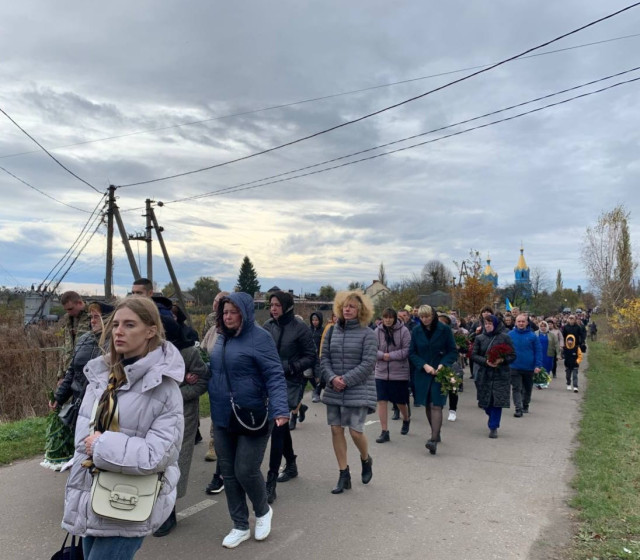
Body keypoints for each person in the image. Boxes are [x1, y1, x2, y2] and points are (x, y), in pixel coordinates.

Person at [61, 296, 185, 560]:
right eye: (116, 324)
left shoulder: (162, 386)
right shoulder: (103, 376)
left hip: (127, 502)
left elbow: (159, 454)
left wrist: (100, 445)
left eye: (130, 325)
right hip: (93, 494)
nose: (118, 331)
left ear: (150, 331)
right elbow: (86, 436)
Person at [208, 292, 289, 548]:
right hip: (222, 414)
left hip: (253, 414)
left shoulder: (260, 338)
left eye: (233, 312)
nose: (228, 316)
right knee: (229, 473)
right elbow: (215, 371)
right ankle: (240, 525)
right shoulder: (221, 338)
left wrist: (280, 409)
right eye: (225, 312)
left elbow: (275, 374)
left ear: (245, 313)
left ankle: (263, 511)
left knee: (245, 469)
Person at [153, 330, 210, 537]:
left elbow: (202, 381)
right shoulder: (145, 350)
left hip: (183, 415)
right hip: (152, 414)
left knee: (177, 461)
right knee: (153, 460)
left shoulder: (188, 352)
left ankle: (169, 510)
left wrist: (175, 393)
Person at [262, 291, 316, 503]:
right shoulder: (267, 327)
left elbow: (311, 357)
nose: (273, 308)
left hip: (290, 382)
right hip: (268, 381)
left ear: (286, 306)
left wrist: (291, 367)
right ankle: (291, 463)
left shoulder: (300, 328)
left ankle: (271, 481)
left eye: (277, 305)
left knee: (277, 427)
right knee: (281, 426)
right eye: (271, 305)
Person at [320, 291, 376, 494]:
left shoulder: (368, 334)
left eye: (352, 306)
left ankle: (365, 459)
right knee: (336, 430)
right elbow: (324, 358)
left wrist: (346, 380)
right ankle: (343, 474)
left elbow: (368, 363)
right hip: (334, 388)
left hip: (358, 389)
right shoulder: (331, 332)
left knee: (355, 431)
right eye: (345, 306)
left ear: (361, 310)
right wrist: (332, 378)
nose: (347, 309)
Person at [51, 302, 113, 433]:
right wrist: (59, 396)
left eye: (97, 317)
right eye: (91, 317)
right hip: (78, 400)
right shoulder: (84, 339)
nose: (92, 321)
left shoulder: (114, 343)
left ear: (108, 318)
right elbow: (72, 371)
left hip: (101, 404)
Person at [409, 305, 457, 455]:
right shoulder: (416, 331)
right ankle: (436, 431)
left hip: (440, 372)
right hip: (423, 373)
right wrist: (424, 365)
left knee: (436, 404)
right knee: (428, 404)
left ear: (433, 315)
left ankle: (433, 439)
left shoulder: (444, 329)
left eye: (427, 317)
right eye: (422, 317)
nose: (424, 320)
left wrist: (443, 364)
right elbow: (412, 353)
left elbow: (452, 351)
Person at [472, 315, 516, 438]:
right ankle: (491, 417)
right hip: (485, 374)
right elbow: (474, 355)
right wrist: (486, 361)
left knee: (497, 401)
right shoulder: (479, 338)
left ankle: (493, 427)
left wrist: (501, 360)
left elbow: (513, 355)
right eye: (486, 324)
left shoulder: (505, 337)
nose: (487, 326)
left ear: (495, 324)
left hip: (500, 374)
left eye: (490, 324)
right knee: (485, 403)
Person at [374, 308, 411, 443]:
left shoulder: (404, 331)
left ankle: (406, 418)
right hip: (381, 372)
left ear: (394, 318)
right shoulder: (377, 331)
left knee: (400, 401)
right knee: (382, 401)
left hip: (399, 372)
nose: (388, 320)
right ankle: (384, 431)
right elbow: (372, 348)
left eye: (390, 317)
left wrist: (390, 356)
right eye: (385, 317)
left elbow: (406, 350)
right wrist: (382, 355)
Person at [508, 314, 542, 417]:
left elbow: (538, 351)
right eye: (519, 321)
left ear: (527, 323)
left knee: (527, 388)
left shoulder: (533, 336)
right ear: (515, 323)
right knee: (516, 388)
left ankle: (525, 404)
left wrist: (538, 365)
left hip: (529, 367)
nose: (521, 323)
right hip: (514, 366)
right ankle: (518, 408)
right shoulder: (510, 335)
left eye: (523, 321)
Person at [58, 291, 91, 381]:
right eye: (66, 310)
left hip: (86, 372)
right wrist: (61, 375)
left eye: (70, 309)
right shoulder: (68, 319)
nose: (69, 312)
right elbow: (64, 348)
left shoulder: (93, 316)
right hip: (69, 372)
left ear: (79, 303)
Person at [308, 311, 324, 403]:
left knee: (319, 375)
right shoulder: (308, 330)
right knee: (308, 374)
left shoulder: (323, 331)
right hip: (309, 356)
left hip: (319, 356)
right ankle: (315, 388)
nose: (314, 322)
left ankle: (317, 393)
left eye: (316, 320)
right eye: (313, 320)